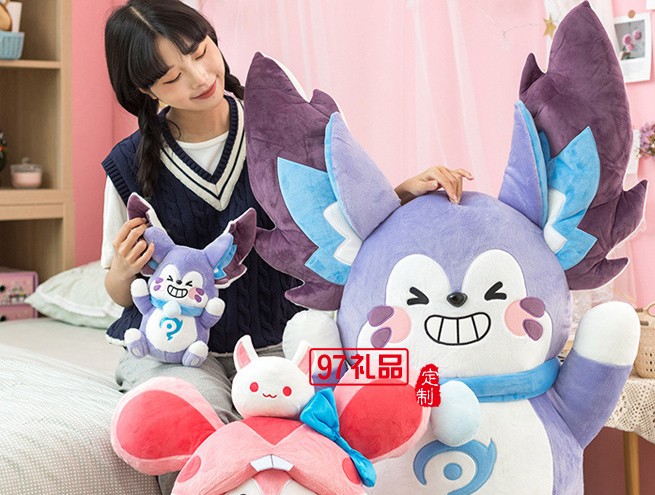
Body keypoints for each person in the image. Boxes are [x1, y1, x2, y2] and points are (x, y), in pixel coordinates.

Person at [101, 0, 473, 424]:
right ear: (145, 90)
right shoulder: (128, 165)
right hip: (176, 349)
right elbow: (117, 291)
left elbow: (342, 225)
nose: (200, 77)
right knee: (193, 419)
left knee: (334, 419)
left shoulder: (284, 130)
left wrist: (406, 192)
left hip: (284, 339)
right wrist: (124, 270)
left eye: (201, 52)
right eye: (172, 77)